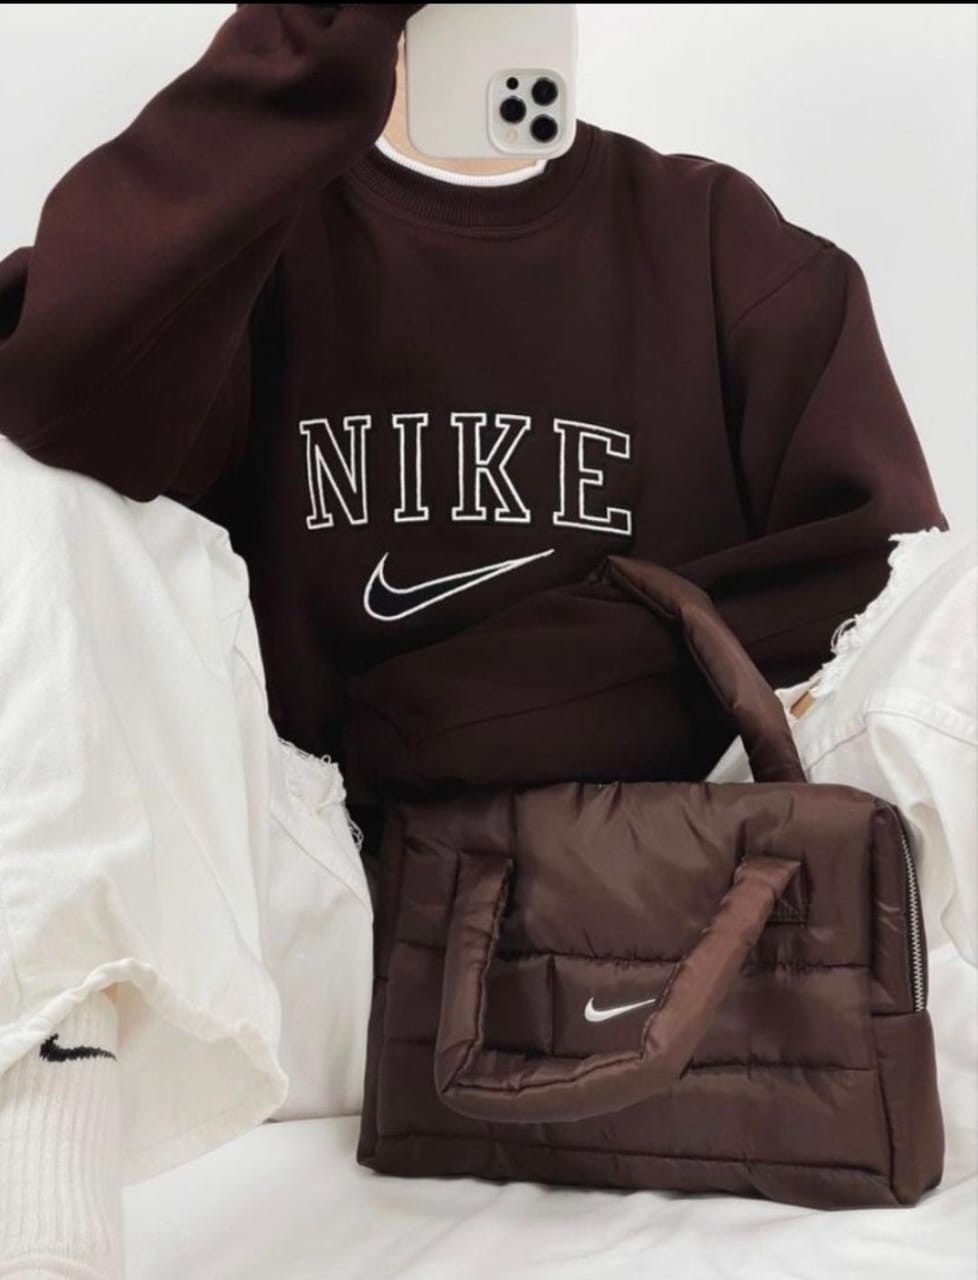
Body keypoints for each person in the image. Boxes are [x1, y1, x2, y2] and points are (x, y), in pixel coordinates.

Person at [0, 4, 956, 1276]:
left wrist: (508, 697)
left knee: (955, 593)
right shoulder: (255, 233)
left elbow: (870, 583)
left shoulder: (717, 238)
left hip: (658, 914)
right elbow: (47, 385)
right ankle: (45, 1216)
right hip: (326, 934)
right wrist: (307, 54)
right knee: (26, 484)